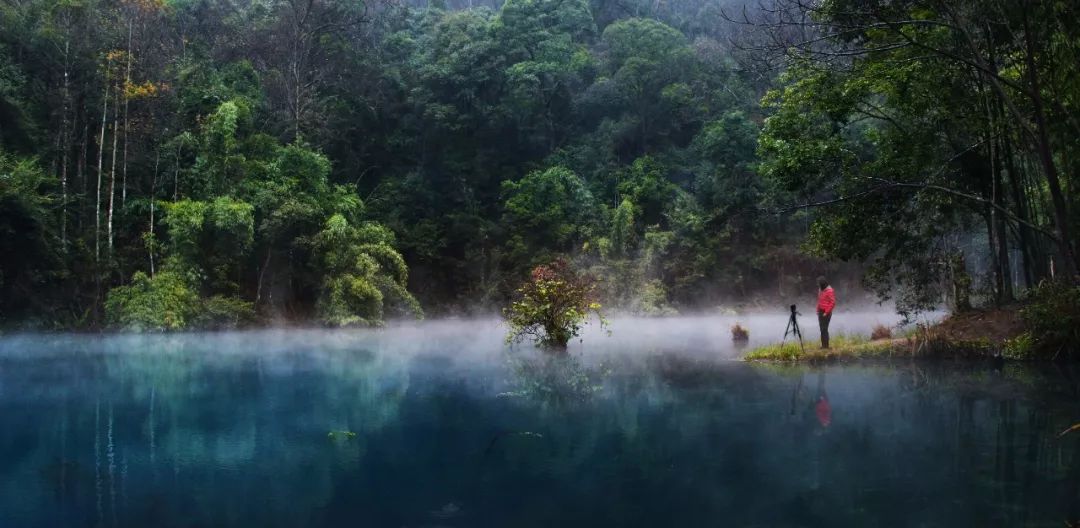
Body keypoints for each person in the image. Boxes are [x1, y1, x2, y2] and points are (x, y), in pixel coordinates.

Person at [816, 276, 835, 349]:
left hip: (826, 312)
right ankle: (823, 345)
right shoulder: (820, 290)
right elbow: (819, 301)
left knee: (824, 329)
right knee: (822, 329)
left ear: (822, 284)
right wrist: (817, 310)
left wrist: (826, 312)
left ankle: (826, 346)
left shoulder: (830, 290)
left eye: (819, 283)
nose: (818, 285)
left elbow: (833, 303)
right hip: (820, 311)